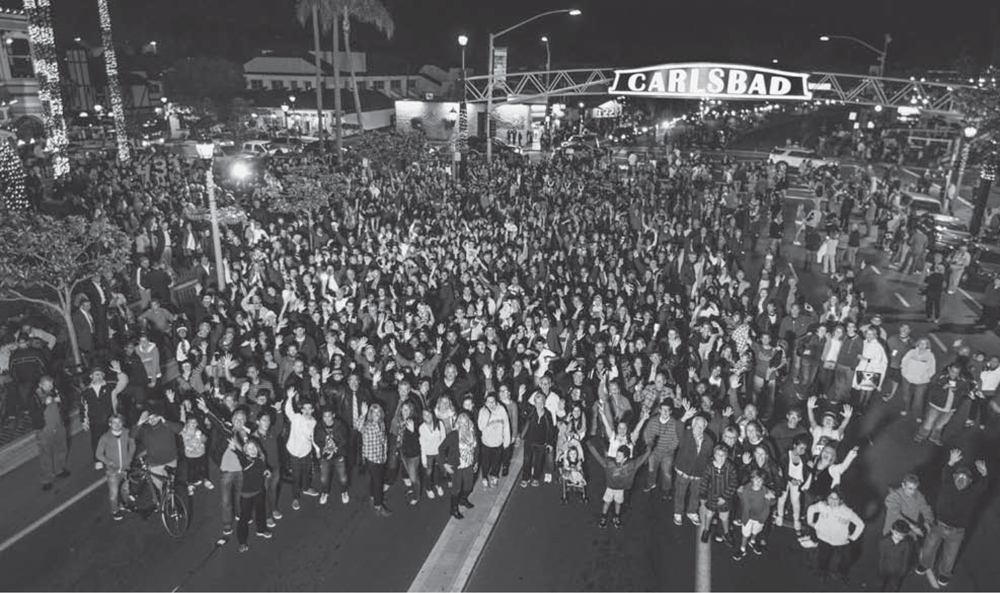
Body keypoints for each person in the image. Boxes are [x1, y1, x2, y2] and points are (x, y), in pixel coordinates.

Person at [916, 449, 988, 588]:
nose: (962, 479)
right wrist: (951, 461)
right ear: (954, 476)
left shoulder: (972, 492)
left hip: (957, 531)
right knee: (929, 547)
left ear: (970, 481)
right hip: (939, 525)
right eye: (959, 476)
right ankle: (924, 564)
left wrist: (984, 473)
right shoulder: (947, 484)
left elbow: (983, 486)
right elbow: (946, 471)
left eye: (965, 478)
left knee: (950, 555)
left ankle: (944, 573)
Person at [585, 440, 650, 529]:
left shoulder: (631, 466)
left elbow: (642, 458)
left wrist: (650, 448)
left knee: (618, 503)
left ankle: (616, 516)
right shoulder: (610, 464)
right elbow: (598, 457)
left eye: (619, 456)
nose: (616, 457)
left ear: (625, 458)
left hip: (620, 489)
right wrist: (590, 445)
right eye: (617, 455)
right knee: (607, 503)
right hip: (610, 489)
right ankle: (603, 517)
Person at [807, 488, 865, 585]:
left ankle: (841, 573)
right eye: (830, 498)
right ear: (827, 498)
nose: (833, 501)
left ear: (841, 500)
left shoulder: (847, 512)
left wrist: (853, 537)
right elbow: (811, 509)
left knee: (847, 559)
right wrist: (811, 523)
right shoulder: (822, 506)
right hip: (824, 538)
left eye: (836, 499)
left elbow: (860, 524)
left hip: (841, 541)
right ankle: (822, 572)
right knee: (822, 557)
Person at [82, 362, 129, 470]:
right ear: (91, 376)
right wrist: (84, 420)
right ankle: (98, 459)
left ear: (103, 376)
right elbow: (83, 407)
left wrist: (120, 372)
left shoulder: (110, 386)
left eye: (100, 374)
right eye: (95, 374)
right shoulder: (86, 392)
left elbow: (123, 382)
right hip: (95, 421)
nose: (98, 376)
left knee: (116, 437)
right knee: (96, 441)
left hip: (110, 418)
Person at [232, 437, 273, 552]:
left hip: (259, 491)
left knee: (261, 511)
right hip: (246, 495)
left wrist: (266, 470)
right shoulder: (246, 460)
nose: (252, 450)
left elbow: (262, 468)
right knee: (244, 518)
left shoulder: (260, 457)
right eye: (249, 449)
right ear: (246, 451)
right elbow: (240, 456)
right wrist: (234, 449)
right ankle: (242, 542)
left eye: (254, 447)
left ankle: (262, 529)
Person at [673, 414, 715, 526]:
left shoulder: (709, 441)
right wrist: (684, 417)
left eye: (702, 427)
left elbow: (709, 456)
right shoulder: (685, 435)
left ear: (705, 428)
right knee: (680, 493)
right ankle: (678, 512)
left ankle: (692, 511)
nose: (699, 428)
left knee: (696, 494)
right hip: (683, 472)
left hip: (698, 473)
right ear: (692, 425)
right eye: (697, 425)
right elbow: (678, 426)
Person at [914, 363, 970, 446]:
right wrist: (942, 388)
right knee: (929, 421)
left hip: (950, 408)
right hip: (936, 406)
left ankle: (934, 437)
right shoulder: (941, 377)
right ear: (949, 369)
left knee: (941, 424)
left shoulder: (963, 380)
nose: (954, 374)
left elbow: (965, 392)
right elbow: (932, 388)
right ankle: (921, 436)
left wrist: (957, 390)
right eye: (952, 371)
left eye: (956, 372)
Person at [30, 375, 69, 490]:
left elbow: (65, 404)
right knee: (45, 454)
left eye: (51, 385)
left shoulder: (55, 391)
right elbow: (34, 415)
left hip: (58, 425)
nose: (50, 387)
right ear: (40, 385)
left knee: (61, 448)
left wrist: (61, 400)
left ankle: (59, 469)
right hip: (44, 429)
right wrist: (44, 404)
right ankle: (46, 479)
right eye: (47, 385)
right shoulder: (34, 397)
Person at [95, 414, 136, 521]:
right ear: (110, 424)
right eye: (114, 422)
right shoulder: (105, 437)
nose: (117, 425)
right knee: (114, 494)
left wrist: (130, 457)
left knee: (126, 490)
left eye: (119, 422)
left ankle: (125, 504)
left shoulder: (127, 432)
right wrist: (108, 462)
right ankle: (115, 511)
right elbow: (98, 454)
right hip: (112, 472)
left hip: (125, 469)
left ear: (122, 423)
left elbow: (132, 444)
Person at [284, 387, 319, 510]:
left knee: (306, 472)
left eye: (310, 409)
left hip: (306, 451)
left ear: (313, 410)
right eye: (305, 408)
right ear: (302, 409)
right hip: (294, 451)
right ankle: (295, 497)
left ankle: (306, 488)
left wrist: (318, 450)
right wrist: (289, 398)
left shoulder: (314, 422)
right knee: (296, 476)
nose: (307, 411)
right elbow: (288, 411)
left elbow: (314, 438)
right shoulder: (297, 417)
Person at [440, 411, 478, 520]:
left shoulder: (472, 431)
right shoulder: (453, 435)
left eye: (465, 423)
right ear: (457, 423)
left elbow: (476, 448)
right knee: (455, 489)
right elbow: (441, 449)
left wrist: (476, 462)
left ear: (469, 423)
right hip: (457, 466)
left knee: (469, 487)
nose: (463, 425)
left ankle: (463, 500)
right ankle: (454, 509)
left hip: (469, 465)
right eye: (461, 423)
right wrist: (445, 465)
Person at [357, 400, 392, 518]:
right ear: (370, 414)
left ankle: (373, 496)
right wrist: (362, 414)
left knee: (374, 479)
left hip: (380, 456)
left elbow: (384, 440)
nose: (376, 415)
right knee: (378, 482)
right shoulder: (367, 425)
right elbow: (358, 427)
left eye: (378, 413)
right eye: (374, 413)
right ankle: (378, 505)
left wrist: (385, 454)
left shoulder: (381, 423)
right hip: (371, 458)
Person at [732, 468, 776, 560]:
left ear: (763, 481)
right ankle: (742, 548)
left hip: (760, 517)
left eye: (760, 480)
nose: (758, 482)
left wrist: (772, 498)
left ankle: (752, 541)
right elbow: (740, 496)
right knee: (745, 534)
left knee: (756, 531)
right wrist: (738, 491)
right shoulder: (746, 489)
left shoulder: (766, 491)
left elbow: (772, 502)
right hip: (748, 516)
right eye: (756, 479)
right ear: (752, 479)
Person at [699, 443, 738, 544]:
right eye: (718, 455)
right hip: (712, 496)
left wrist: (725, 497)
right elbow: (704, 481)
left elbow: (733, 482)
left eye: (723, 455)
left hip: (725, 497)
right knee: (709, 514)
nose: (720, 457)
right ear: (714, 455)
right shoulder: (709, 466)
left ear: (726, 456)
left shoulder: (730, 467)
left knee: (724, 517)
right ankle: (706, 530)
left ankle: (726, 533)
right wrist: (703, 494)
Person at [882, 473, 933, 538]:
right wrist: (913, 527)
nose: (912, 492)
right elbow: (896, 514)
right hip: (893, 534)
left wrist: (928, 522)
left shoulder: (918, 495)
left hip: (909, 535)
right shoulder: (893, 497)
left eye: (915, 489)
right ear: (903, 485)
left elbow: (926, 509)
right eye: (910, 488)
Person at [477, 393, 511, 488]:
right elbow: (481, 427)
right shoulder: (483, 411)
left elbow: (506, 426)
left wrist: (506, 441)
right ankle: (484, 477)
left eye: (493, 402)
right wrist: (487, 414)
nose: (491, 404)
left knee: (496, 462)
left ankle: (495, 477)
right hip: (486, 443)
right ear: (485, 403)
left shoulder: (501, 410)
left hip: (498, 442)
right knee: (485, 462)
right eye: (489, 402)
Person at [878, 520, 916, 591]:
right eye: (896, 533)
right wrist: (880, 568)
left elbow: (906, 559)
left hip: (897, 570)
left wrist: (902, 572)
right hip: (885, 568)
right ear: (892, 530)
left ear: (905, 535)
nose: (898, 536)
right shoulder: (883, 542)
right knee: (880, 583)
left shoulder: (907, 545)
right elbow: (881, 556)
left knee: (894, 585)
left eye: (901, 535)